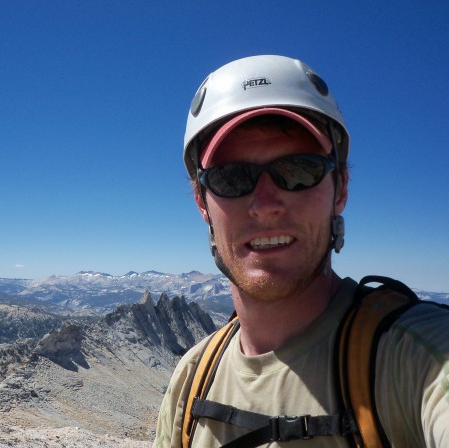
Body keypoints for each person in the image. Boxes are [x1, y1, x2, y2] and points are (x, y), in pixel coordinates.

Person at [153, 55, 449, 447]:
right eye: (231, 177)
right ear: (201, 202)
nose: (264, 203)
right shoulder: (190, 382)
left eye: (298, 170)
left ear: (340, 189)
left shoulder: (416, 359)